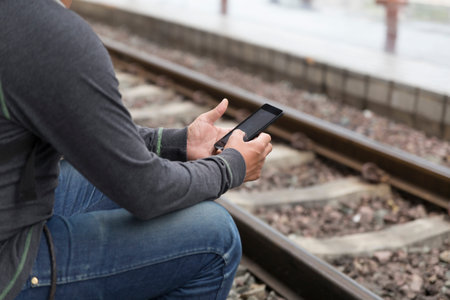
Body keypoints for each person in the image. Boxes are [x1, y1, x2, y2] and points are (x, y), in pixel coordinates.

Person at [0, 0, 273, 299]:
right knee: (215, 236)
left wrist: (177, 143)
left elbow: (89, 133)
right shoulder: (49, 36)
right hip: (7, 264)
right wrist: (231, 167)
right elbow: (147, 192)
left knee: (99, 175)